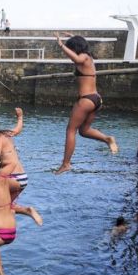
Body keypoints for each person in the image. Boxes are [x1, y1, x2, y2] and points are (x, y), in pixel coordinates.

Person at [54, 32, 118, 174]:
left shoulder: (83, 57)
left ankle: (66, 164)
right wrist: (72, 36)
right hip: (95, 99)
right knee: (84, 130)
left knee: (71, 130)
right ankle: (107, 139)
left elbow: (75, 57)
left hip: (86, 100)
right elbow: (79, 47)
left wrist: (61, 45)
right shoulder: (88, 58)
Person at [0, 108, 43, 226]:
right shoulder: (6, 134)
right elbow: (17, 130)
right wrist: (20, 117)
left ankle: (25, 212)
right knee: (5, 207)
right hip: (23, 178)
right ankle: (16, 217)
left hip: (13, 177)